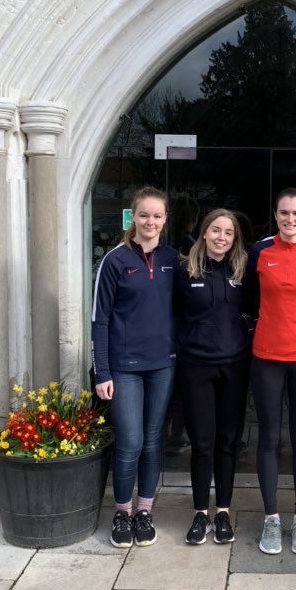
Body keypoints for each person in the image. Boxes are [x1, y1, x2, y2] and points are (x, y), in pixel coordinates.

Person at [92, 186, 177, 549]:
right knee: (130, 441)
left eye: (157, 215)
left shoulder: (175, 259)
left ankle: (145, 510)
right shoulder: (115, 260)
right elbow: (100, 319)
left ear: (165, 220)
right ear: (133, 216)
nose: (150, 221)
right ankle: (122, 512)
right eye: (144, 214)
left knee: (153, 441)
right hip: (124, 367)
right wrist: (102, 372)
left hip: (163, 365)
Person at [244, 187, 296, 555]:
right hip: (266, 354)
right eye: (284, 213)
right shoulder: (259, 251)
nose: (290, 219)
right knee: (268, 438)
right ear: (275, 215)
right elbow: (248, 297)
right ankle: (271, 519)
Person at [174, 208, 251, 545]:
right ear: (204, 232)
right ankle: (200, 513)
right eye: (216, 230)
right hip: (196, 366)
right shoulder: (184, 269)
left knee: (227, 442)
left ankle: (223, 512)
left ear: (235, 239)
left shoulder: (242, 270)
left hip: (234, 365)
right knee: (202, 443)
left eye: (229, 233)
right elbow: (173, 313)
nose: (222, 237)